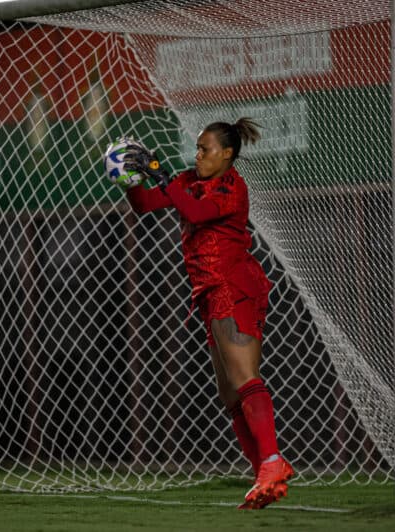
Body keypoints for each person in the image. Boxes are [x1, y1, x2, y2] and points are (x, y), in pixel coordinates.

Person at [121, 118, 293, 510]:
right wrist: (128, 179)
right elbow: (146, 204)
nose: (198, 155)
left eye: (206, 149)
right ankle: (263, 474)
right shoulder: (187, 180)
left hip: (234, 285)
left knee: (245, 378)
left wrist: (161, 177)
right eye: (197, 149)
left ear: (228, 154)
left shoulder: (233, 186)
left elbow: (197, 215)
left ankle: (271, 461)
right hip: (208, 293)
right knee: (230, 394)